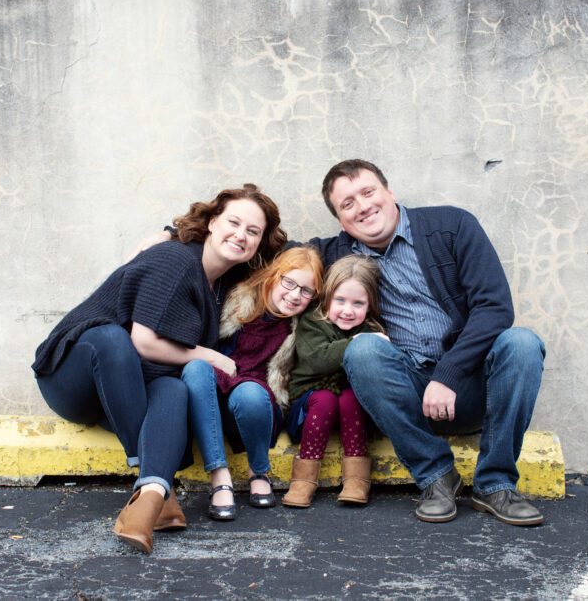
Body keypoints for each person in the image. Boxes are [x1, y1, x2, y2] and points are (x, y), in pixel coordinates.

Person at [31, 184, 286, 553]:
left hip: (125, 396)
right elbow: (144, 342)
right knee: (110, 338)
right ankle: (152, 472)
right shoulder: (176, 260)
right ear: (213, 223)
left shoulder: (227, 281)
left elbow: (295, 257)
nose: (241, 235)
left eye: (253, 231)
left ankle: (150, 497)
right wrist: (210, 356)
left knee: (174, 389)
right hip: (74, 378)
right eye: (233, 222)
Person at [310, 159, 546, 526]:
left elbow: (494, 307)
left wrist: (448, 375)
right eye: (347, 203)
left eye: (368, 192)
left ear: (389, 193)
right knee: (362, 349)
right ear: (341, 222)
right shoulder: (339, 254)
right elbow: (272, 255)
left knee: (523, 343)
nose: (362, 206)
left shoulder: (451, 226)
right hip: (407, 393)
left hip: (473, 385)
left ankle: (495, 483)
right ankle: (436, 478)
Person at [181, 246, 324, 520]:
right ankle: (219, 477)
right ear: (273, 275)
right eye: (289, 282)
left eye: (306, 291)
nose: (295, 295)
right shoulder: (237, 298)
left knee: (249, 393)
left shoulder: (302, 326)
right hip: (212, 393)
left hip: (256, 402)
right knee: (197, 368)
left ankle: (258, 470)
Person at [283, 254, 387, 508]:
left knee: (350, 398)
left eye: (358, 303)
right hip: (310, 403)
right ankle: (303, 480)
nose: (348, 311)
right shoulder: (312, 321)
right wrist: (359, 343)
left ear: (370, 305)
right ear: (327, 297)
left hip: (352, 410)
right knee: (327, 399)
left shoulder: (371, 327)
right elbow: (319, 359)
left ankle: (356, 478)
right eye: (339, 300)